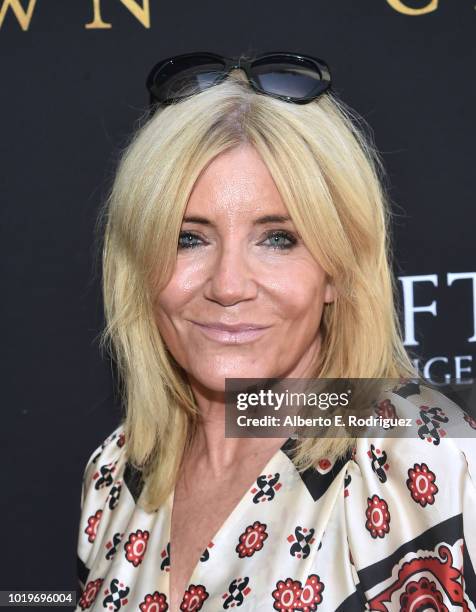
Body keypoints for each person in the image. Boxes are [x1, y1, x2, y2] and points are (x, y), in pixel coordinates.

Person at [75, 52, 476, 611]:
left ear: (336, 269)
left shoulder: (419, 453)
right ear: (139, 269)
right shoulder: (115, 472)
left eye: (278, 239)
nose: (229, 285)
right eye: (188, 238)